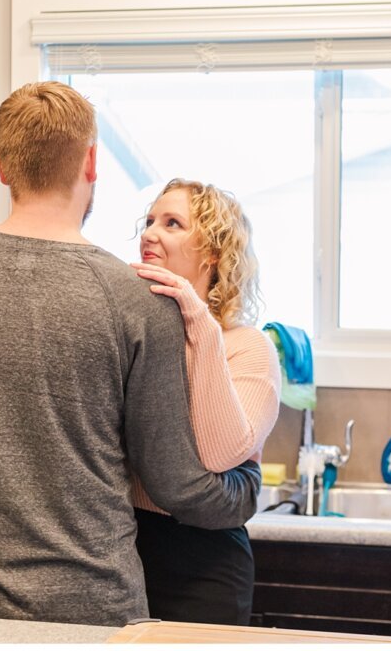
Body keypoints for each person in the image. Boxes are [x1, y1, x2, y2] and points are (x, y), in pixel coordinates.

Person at [0, 82, 261, 627]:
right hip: (93, 614)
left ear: (2, 165)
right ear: (91, 163)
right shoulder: (138, 299)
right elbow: (174, 482)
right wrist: (242, 491)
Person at [129, 178, 282, 625]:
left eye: (172, 223)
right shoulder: (140, 337)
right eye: (150, 220)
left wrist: (199, 319)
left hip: (205, 565)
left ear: (213, 253)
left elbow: (219, 453)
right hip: (125, 554)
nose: (150, 233)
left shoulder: (245, 346)